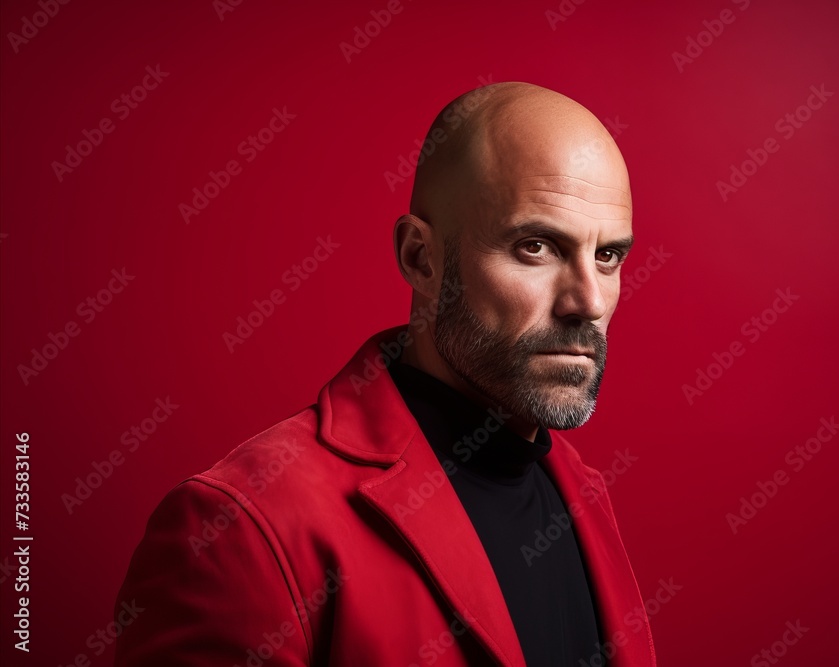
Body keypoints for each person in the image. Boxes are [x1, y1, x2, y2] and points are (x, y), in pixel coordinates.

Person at [114, 81, 656, 667]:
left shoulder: (578, 489)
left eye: (607, 256)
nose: (588, 301)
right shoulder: (241, 528)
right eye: (536, 247)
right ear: (421, 258)